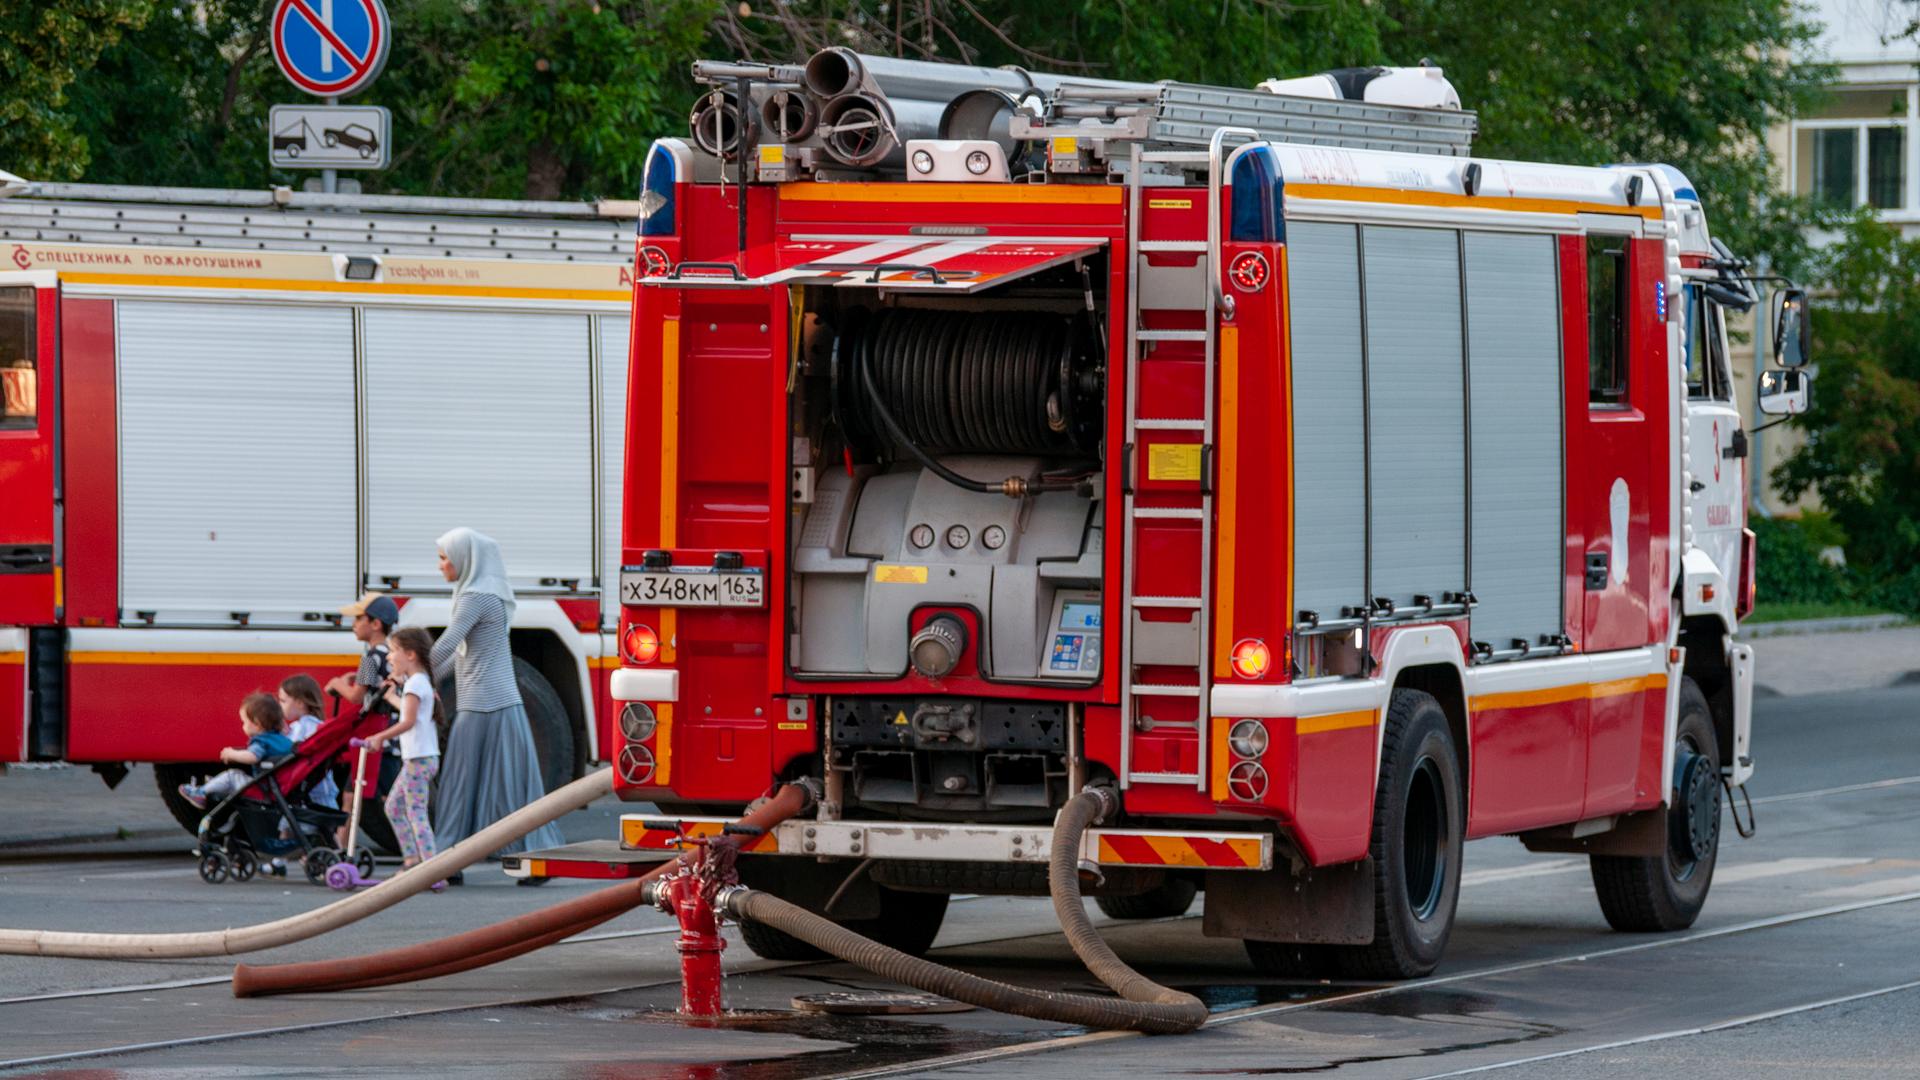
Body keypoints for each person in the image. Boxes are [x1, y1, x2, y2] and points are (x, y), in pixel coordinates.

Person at [430, 527, 564, 872]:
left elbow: (447, 644)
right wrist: (423, 677)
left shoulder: (475, 597)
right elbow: (460, 655)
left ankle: (447, 860)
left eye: (444, 558)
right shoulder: (480, 593)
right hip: (492, 703)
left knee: (459, 788)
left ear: (464, 559)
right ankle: (526, 859)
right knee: (510, 789)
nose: (440, 566)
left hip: (484, 705)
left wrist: (409, 672)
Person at [366, 627, 445, 882]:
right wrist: (391, 696)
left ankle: (430, 870)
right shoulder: (420, 681)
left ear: (410, 654)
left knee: (415, 811)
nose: (389, 657)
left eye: (393, 651)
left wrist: (380, 737)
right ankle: (413, 860)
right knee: (395, 807)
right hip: (421, 758)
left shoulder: (414, 683)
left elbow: (408, 721)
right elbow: (411, 711)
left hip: (418, 759)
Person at [177, 693, 294, 810]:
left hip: (262, 790)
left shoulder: (261, 741)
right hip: (283, 788)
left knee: (232, 775)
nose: (243, 726)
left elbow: (252, 756)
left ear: (257, 724)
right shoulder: (284, 740)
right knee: (232, 777)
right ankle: (215, 785)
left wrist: (232, 754)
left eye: (244, 722)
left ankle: (200, 792)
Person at [279, 674, 339, 810]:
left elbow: (290, 752)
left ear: (300, 703)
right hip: (320, 792)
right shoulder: (312, 724)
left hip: (309, 796)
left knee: (290, 829)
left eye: (283, 701)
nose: (279, 705)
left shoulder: (303, 726)